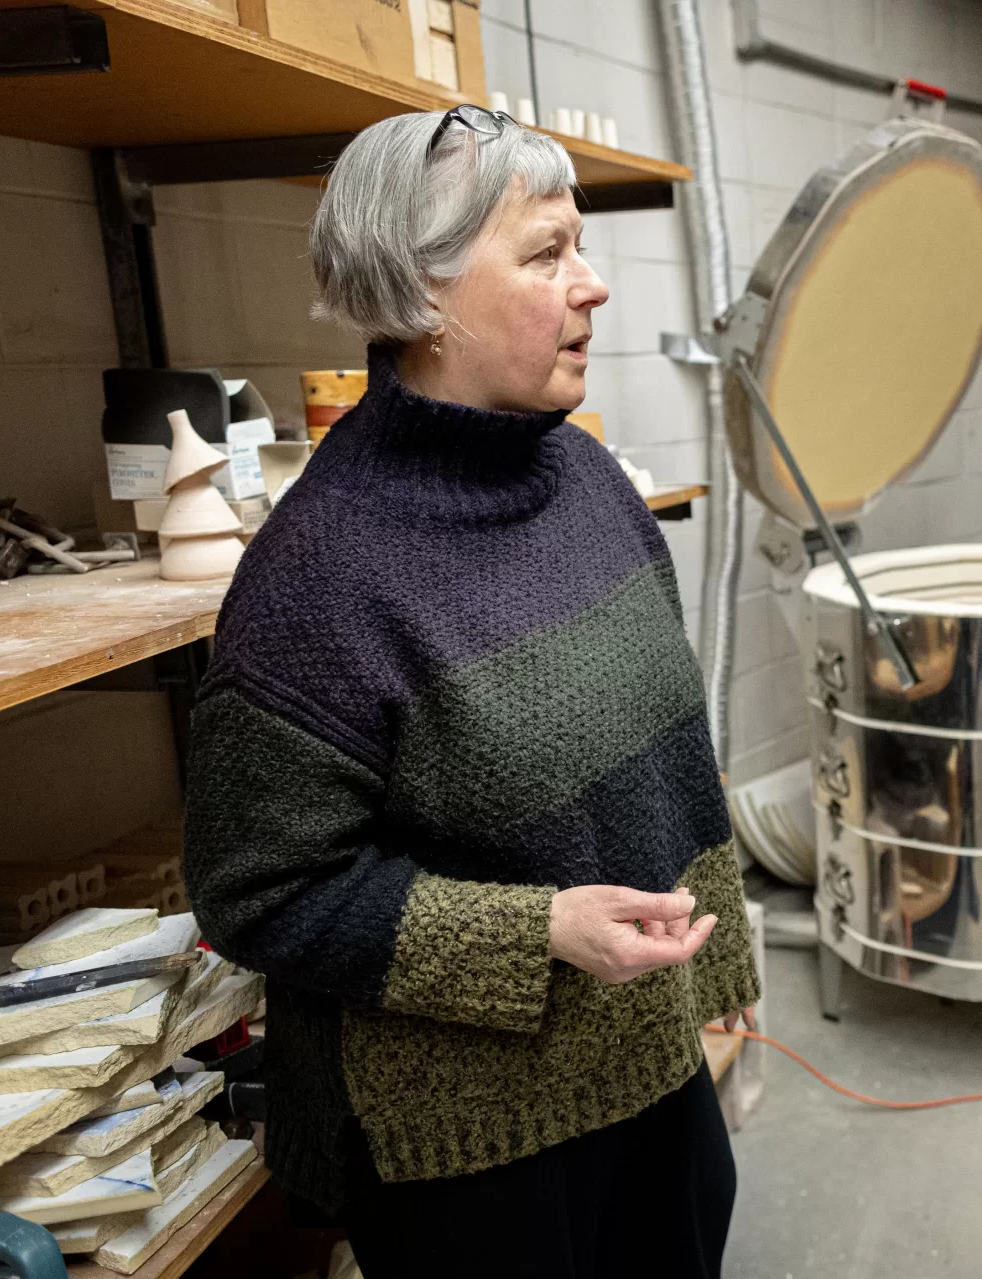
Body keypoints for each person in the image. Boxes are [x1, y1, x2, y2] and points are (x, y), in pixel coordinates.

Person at [182, 106, 759, 1279]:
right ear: (421, 295)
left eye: (578, 245)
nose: (592, 285)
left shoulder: (585, 477)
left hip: (647, 1067)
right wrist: (536, 931)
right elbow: (260, 892)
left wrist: (719, 979)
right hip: (472, 1148)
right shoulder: (321, 575)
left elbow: (658, 759)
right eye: (546, 253)